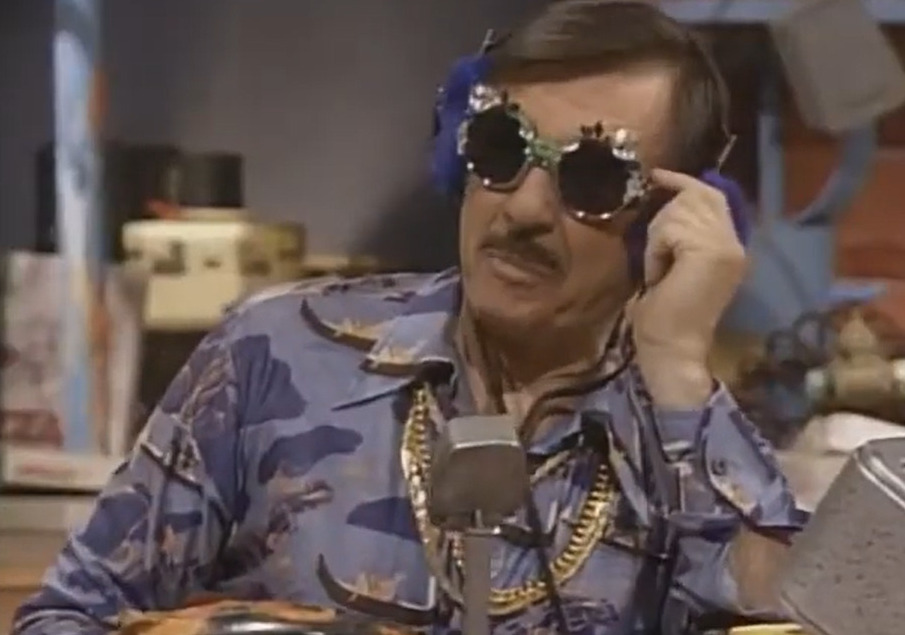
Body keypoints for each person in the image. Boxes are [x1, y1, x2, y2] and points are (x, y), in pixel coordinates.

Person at [13, 2, 805, 634]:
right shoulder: (273, 357)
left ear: (667, 220)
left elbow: (797, 614)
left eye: (592, 178)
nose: (523, 210)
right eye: (500, 148)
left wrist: (676, 368)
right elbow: (64, 618)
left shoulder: (682, 429)